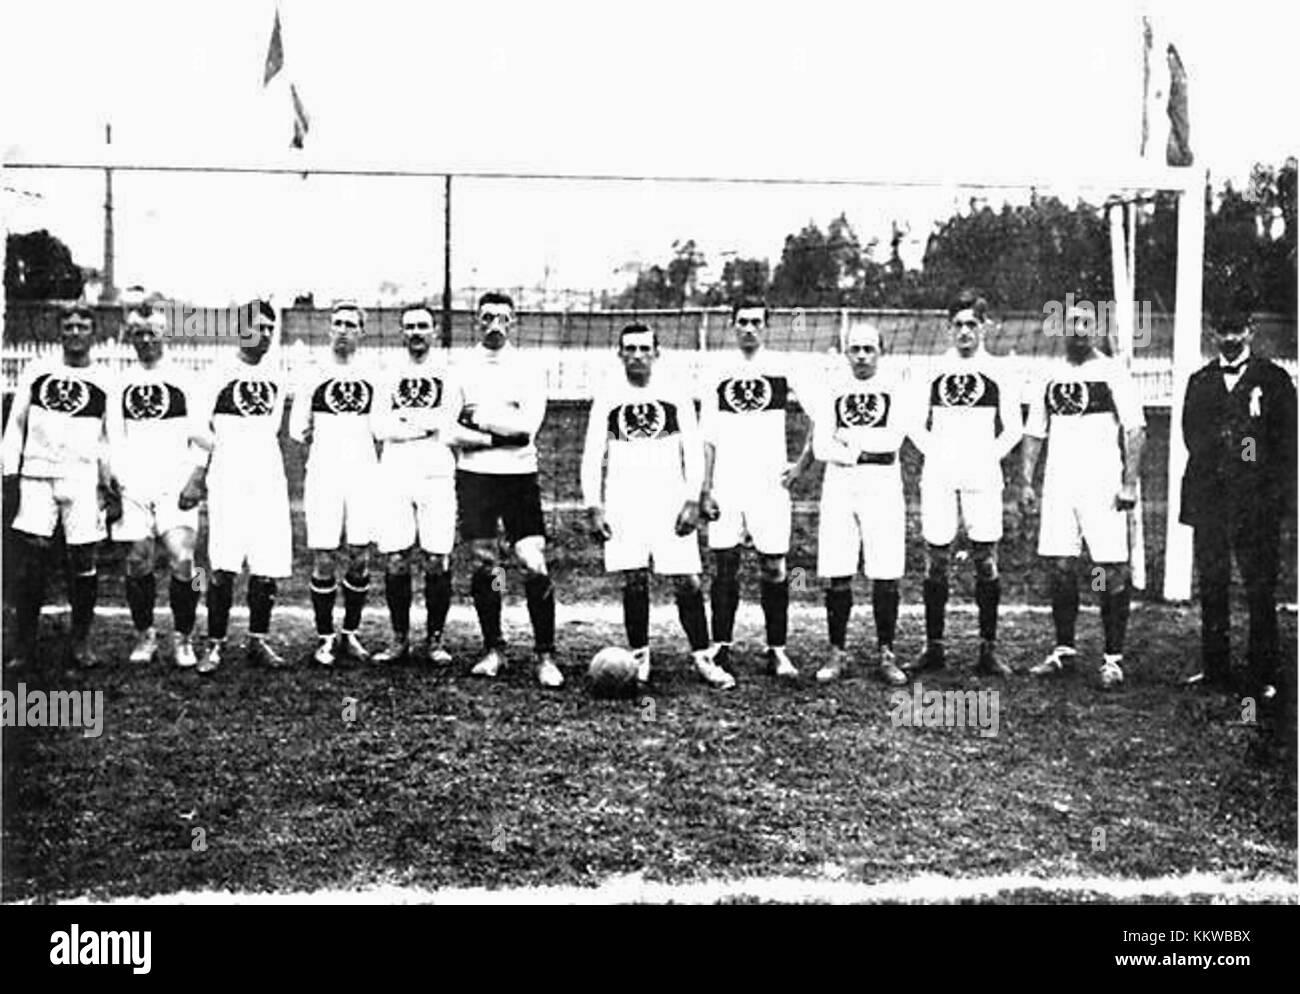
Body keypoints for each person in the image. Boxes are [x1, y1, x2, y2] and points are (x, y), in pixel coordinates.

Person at [581, 322, 735, 690]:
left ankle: (702, 656)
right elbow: (591, 455)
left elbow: (693, 450)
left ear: (656, 353)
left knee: (687, 580)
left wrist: (691, 499)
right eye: (629, 349)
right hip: (623, 499)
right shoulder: (607, 396)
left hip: (668, 499)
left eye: (643, 349)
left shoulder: (675, 392)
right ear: (619, 354)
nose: (636, 355)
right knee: (634, 578)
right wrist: (594, 506)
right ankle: (639, 656)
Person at [1019, 303, 1145, 688]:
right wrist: (1026, 481)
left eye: (1086, 322)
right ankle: (1064, 650)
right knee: (1061, 567)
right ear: (1062, 328)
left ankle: (1112, 657)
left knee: (1107, 570)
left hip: (1102, 484)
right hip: (1060, 484)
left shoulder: (1111, 371)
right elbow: (1035, 431)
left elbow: (1135, 429)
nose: (1079, 329)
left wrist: (1128, 482)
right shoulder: (1049, 374)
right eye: (1072, 322)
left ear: (1096, 328)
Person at [1178, 310, 1296, 699]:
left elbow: (1286, 443)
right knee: (1212, 582)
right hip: (1211, 498)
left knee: (1259, 585)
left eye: (1236, 329)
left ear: (1250, 330)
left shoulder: (1273, 380)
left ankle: (1263, 672)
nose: (1229, 337)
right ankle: (1216, 668)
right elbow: (1191, 435)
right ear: (1212, 332)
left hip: (1257, 501)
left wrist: (1272, 493)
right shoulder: (1201, 381)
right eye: (1222, 329)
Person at [905, 290, 1022, 678]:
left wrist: (987, 456)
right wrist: (936, 454)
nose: (965, 332)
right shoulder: (932, 369)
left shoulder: (1000, 370)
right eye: (958, 325)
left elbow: (1013, 428)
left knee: (985, 558)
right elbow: (913, 423)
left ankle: (988, 649)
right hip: (939, 475)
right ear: (948, 328)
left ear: (983, 327)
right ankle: (934, 646)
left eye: (972, 324)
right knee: (935, 559)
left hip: (982, 475)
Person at [698, 297, 811, 681]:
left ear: (766, 327)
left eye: (756, 322)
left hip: (769, 485)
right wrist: (706, 487)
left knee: (775, 567)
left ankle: (776, 649)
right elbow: (707, 436)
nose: (749, 328)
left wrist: (800, 466)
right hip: (728, 483)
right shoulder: (717, 370)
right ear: (732, 325)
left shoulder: (781, 367)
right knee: (725, 566)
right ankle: (722, 645)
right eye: (742, 321)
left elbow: (821, 413)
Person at [2, 302, 118, 669]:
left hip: (81, 479)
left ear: (93, 332)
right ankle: (23, 645)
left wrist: (108, 481)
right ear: (59, 331)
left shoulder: (106, 379)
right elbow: (16, 425)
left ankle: (81, 642)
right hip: (38, 475)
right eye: (68, 326)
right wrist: (9, 472)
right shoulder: (37, 371)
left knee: (83, 556)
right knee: (32, 558)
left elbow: (109, 436)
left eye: (82, 326)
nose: (74, 333)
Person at [455, 292, 561, 688]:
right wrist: (495, 434)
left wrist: (479, 418)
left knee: (532, 562)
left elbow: (525, 430)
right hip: (476, 477)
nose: (494, 324)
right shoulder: (461, 368)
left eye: (502, 317)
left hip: (518, 477)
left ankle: (545, 655)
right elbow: (450, 430)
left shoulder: (529, 369)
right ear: (477, 321)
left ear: (513, 321)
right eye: (487, 317)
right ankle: (494, 648)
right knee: (489, 565)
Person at [180, 299, 291, 673]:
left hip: (268, 474)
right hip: (228, 474)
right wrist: (227, 449)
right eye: (255, 326)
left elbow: (273, 426)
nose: (262, 334)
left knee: (267, 562)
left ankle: (258, 640)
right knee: (224, 563)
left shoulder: (277, 374)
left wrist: (253, 449)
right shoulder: (218, 372)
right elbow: (197, 427)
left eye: (267, 329)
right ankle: (214, 644)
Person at [371, 304, 478, 664]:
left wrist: (408, 421)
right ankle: (398, 639)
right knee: (397, 558)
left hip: (436, 472)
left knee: (437, 558)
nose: (416, 333)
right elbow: (380, 426)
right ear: (401, 333)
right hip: (394, 474)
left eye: (423, 326)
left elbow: (448, 424)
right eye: (410, 327)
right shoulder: (387, 373)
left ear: (434, 332)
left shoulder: (449, 374)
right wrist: (423, 425)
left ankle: (435, 640)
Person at [809, 322, 910, 685]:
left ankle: (887, 653)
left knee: (886, 571)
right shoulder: (832, 389)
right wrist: (858, 452)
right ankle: (837, 652)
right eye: (856, 349)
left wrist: (846, 446)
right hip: (839, 486)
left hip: (883, 486)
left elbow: (892, 442)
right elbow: (821, 446)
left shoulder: (896, 388)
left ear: (881, 351)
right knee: (838, 568)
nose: (863, 356)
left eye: (869, 349)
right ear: (846, 352)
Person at [108, 302, 205, 668]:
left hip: (175, 485)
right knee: (137, 562)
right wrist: (115, 480)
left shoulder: (185, 379)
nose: (146, 340)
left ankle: (184, 635)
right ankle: (144, 633)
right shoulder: (120, 383)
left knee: (186, 562)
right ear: (130, 338)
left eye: (152, 333)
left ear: (164, 335)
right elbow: (113, 437)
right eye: (139, 334)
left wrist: (196, 476)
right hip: (133, 487)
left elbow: (201, 438)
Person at [289, 302, 381, 666]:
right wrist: (313, 433)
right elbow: (296, 429)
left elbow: (384, 423)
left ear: (361, 332)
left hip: (363, 473)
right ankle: (325, 636)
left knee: (359, 555)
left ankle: (351, 632)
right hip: (325, 472)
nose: (343, 330)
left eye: (351, 325)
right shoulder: (313, 374)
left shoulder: (374, 375)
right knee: (324, 555)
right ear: (329, 330)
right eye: (337, 323)